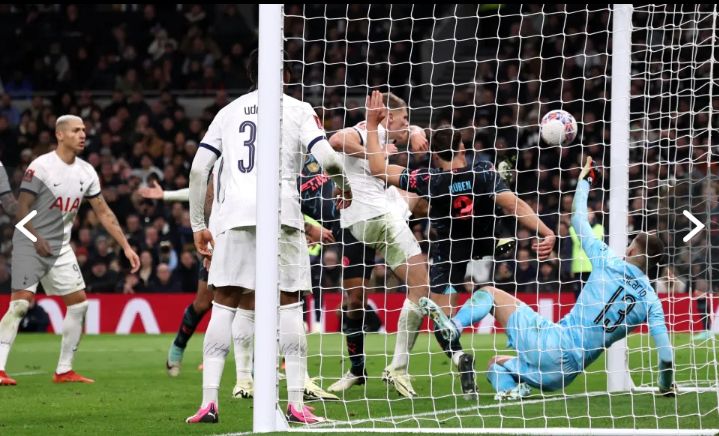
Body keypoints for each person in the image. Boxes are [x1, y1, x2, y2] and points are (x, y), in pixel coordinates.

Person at [184, 49, 351, 424]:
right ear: (287, 73)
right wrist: (341, 186)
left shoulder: (228, 112)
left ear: (250, 74)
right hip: (282, 215)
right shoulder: (298, 108)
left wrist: (198, 225)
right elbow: (330, 160)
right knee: (289, 306)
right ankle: (295, 403)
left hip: (235, 217)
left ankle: (209, 402)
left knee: (223, 306)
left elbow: (199, 169)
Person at [423, 157, 676, 400]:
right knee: (495, 365)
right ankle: (511, 390)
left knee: (488, 293)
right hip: (564, 375)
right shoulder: (651, 301)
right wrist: (665, 386)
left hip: (552, 344)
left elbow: (578, 218)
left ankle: (453, 328)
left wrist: (586, 180)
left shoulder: (608, 262)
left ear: (630, 251)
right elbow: (665, 354)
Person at [362, 90, 556, 398]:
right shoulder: (482, 174)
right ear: (463, 149)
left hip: (448, 250)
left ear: (436, 156)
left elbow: (378, 168)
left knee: (445, 321)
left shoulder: (430, 179)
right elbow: (515, 206)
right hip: (491, 244)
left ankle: (459, 356)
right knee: (489, 292)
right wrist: (547, 231)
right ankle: (512, 347)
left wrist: (372, 125)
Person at [0, 114, 140, 386]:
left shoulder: (86, 172)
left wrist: (125, 246)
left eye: (84, 130)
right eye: (76, 130)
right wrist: (36, 237)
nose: (83, 134)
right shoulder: (41, 167)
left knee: (79, 305)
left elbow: (103, 212)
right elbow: (21, 210)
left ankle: (64, 370)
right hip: (30, 242)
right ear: (60, 135)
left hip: (60, 247)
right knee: (19, 304)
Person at [326, 91, 431, 399]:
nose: (408, 124)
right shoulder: (361, 131)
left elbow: (412, 131)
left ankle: (398, 367)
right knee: (355, 299)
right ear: (388, 117)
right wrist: (375, 151)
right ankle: (357, 371)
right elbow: (335, 142)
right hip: (358, 223)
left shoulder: (395, 132)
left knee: (418, 286)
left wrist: (417, 132)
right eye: (405, 119)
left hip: (381, 218)